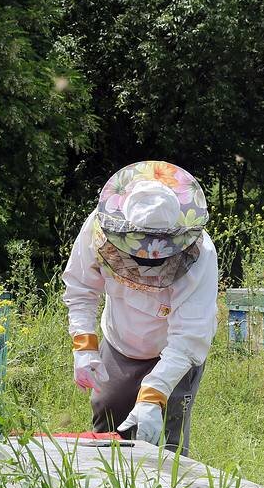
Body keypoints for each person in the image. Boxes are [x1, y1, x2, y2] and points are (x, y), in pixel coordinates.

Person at [61, 161, 218, 453]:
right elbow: (81, 287)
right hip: (119, 343)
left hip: (173, 353)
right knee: (107, 426)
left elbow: (188, 336)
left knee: (166, 442)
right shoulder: (96, 229)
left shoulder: (201, 253)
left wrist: (154, 395)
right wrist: (84, 345)